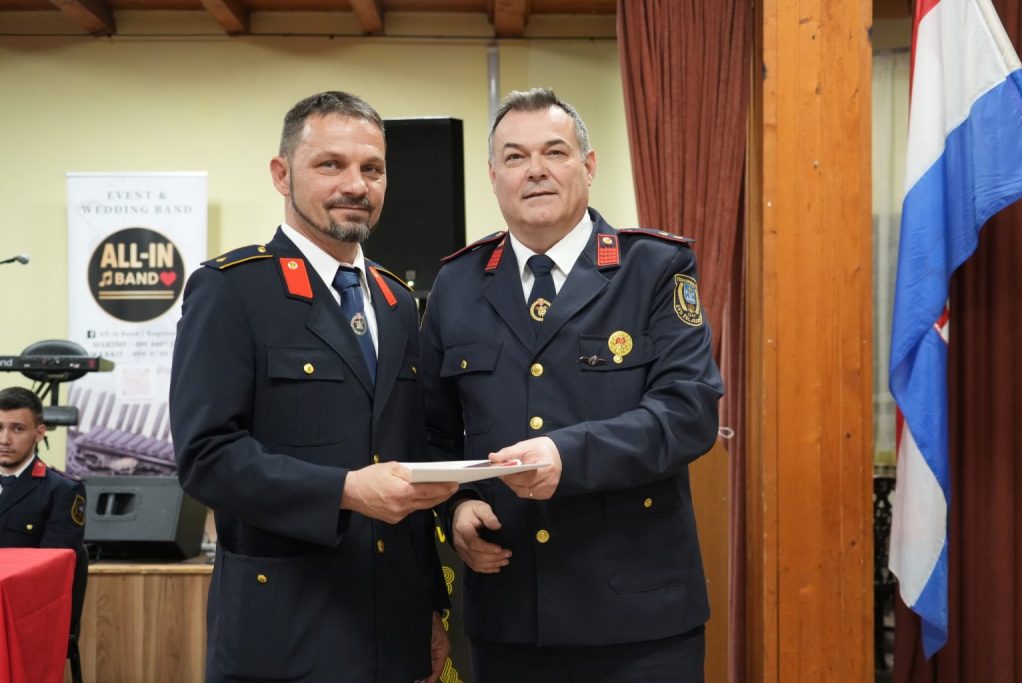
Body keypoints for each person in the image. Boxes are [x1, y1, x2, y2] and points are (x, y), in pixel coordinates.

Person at [419, 88, 724, 682]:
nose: (535, 170)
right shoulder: (456, 285)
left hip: (639, 622)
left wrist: (569, 455)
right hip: (509, 616)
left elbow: (688, 413)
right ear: (493, 177)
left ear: (588, 166)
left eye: (554, 152)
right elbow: (432, 431)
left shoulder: (654, 269)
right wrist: (457, 505)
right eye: (514, 157)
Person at [169, 91, 456, 683]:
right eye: (331, 164)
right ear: (282, 175)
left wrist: (430, 602)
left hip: (393, 629)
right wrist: (344, 491)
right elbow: (206, 459)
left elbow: (406, 456)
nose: (355, 185)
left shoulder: (398, 302)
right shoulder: (231, 290)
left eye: (372, 169)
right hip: (284, 631)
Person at [0, 386, 88, 621]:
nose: (4, 440)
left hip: (20, 615)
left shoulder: (62, 491)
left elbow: (50, 575)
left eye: (17, 429)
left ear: (39, 433)